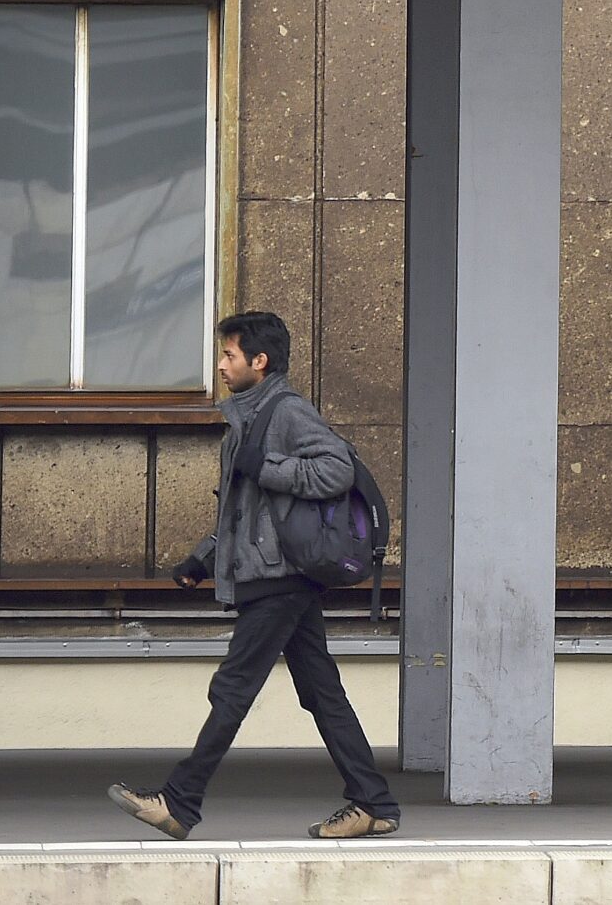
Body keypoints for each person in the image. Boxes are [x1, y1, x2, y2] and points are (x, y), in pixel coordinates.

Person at [108, 311, 402, 841]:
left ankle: (179, 802)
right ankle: (373, 804)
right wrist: (204, 557)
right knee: (323, 694)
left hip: (282, 580)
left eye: (229, 355)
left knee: (234, 687)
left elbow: (336, 467)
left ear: (258, 362)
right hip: (275, 575)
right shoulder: (244, 421)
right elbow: (245, 511)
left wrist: (266, 466)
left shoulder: (286, 412)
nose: (221, 365)